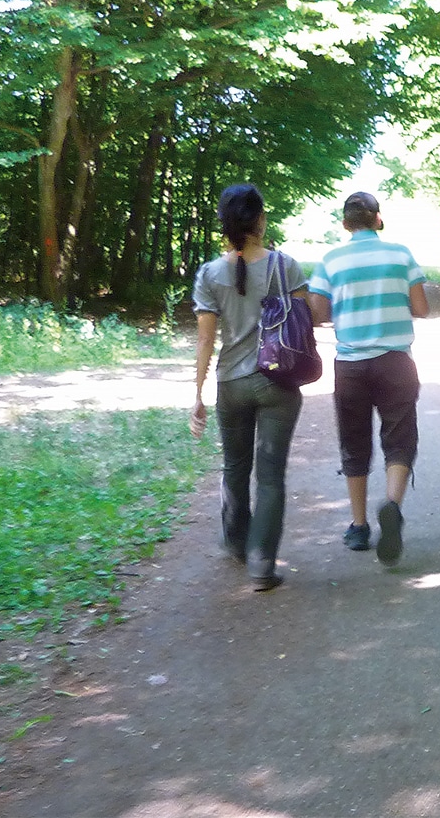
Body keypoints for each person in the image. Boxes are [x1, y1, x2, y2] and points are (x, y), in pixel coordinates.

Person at [190, 184, 308, 592]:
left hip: (232, 384)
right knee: (271, 476)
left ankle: (236, 542)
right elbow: (307, 320)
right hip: (278, 381)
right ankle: (262, 565)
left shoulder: (209, 273)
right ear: (261, 220)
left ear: (224, 225)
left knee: (235, 467)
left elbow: (206, 340)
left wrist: (198, 394)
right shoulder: (285, 265)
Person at [308, 191, 429, 566]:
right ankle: (391, 505)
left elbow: (316, 313)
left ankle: (358, 526)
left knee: (354, 443)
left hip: (351, 365)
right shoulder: (401, 254)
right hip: (395, 361)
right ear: (378, 219)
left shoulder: (330, 260)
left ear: (345, 224)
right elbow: (421, 309)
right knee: (400, 438)